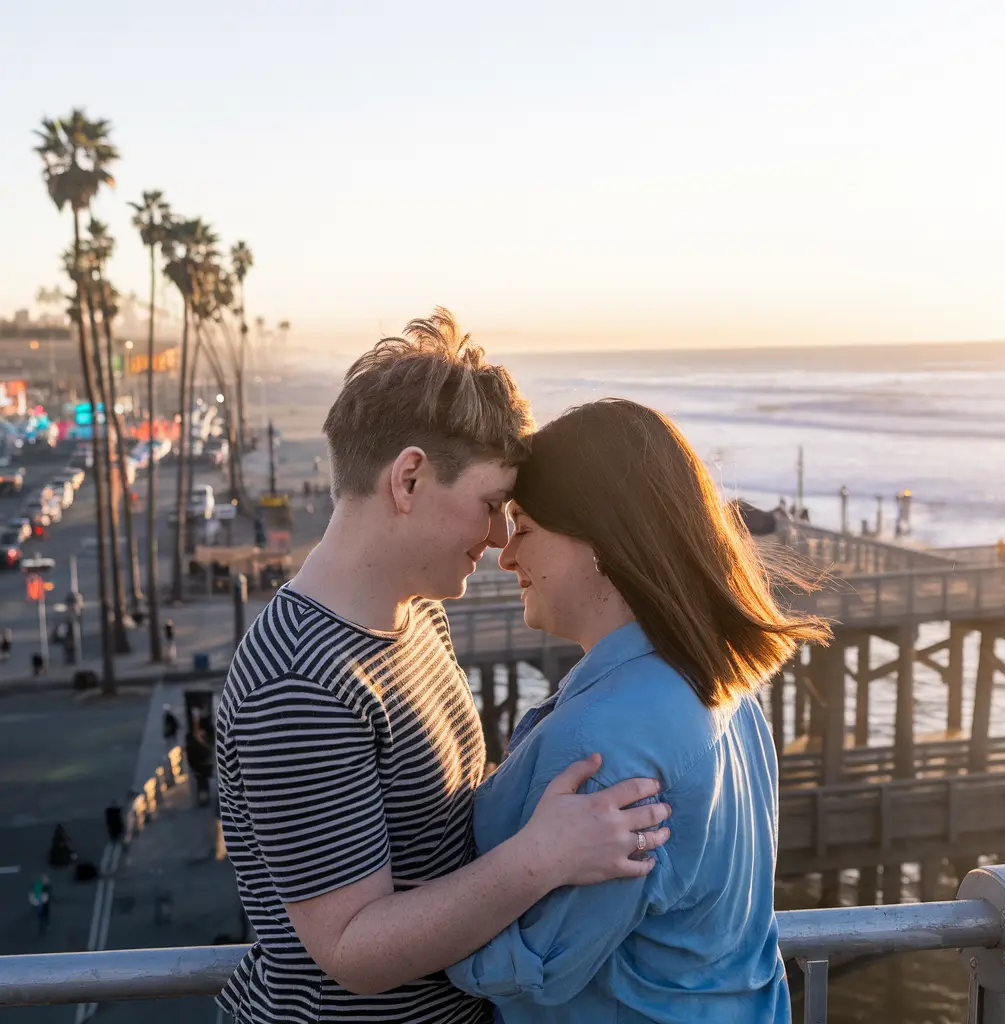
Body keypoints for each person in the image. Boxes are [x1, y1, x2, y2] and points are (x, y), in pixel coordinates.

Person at [215, 309, 670, 1024]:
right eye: (491, 505)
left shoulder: (417, 611)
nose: (498, 537)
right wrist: (541, 858)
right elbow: (354, 949)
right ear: (410, 480)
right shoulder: (300, 681)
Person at [446, 399, 831, 1023]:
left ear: (602, 542)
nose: (507, 555)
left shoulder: (601, 746)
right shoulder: (721, 680)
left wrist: (410, 937)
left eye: (526, 528)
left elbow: (532, 972)